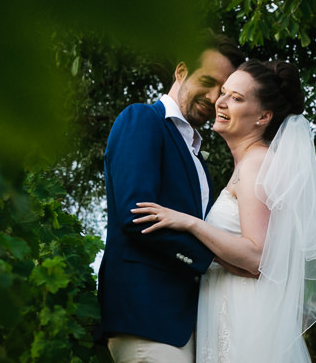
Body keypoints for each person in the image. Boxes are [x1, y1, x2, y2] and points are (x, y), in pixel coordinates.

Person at [132, 60, 316, 363]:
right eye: (225, 93)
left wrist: (190, 224)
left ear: (263, 117)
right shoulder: (249, 165)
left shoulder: (257, 164)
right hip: (229, 309)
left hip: (246, 317)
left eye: (237, 98)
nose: (221, 102)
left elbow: (258, 258)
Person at [96, 33, 246, 363]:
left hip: (188, 323)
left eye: (222, 91)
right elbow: (137, 216)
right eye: (207, 82)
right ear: (180, 72)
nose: (212, 97)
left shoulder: (196, 158)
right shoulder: (142, 120)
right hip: (146, 319)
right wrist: (216, 259)